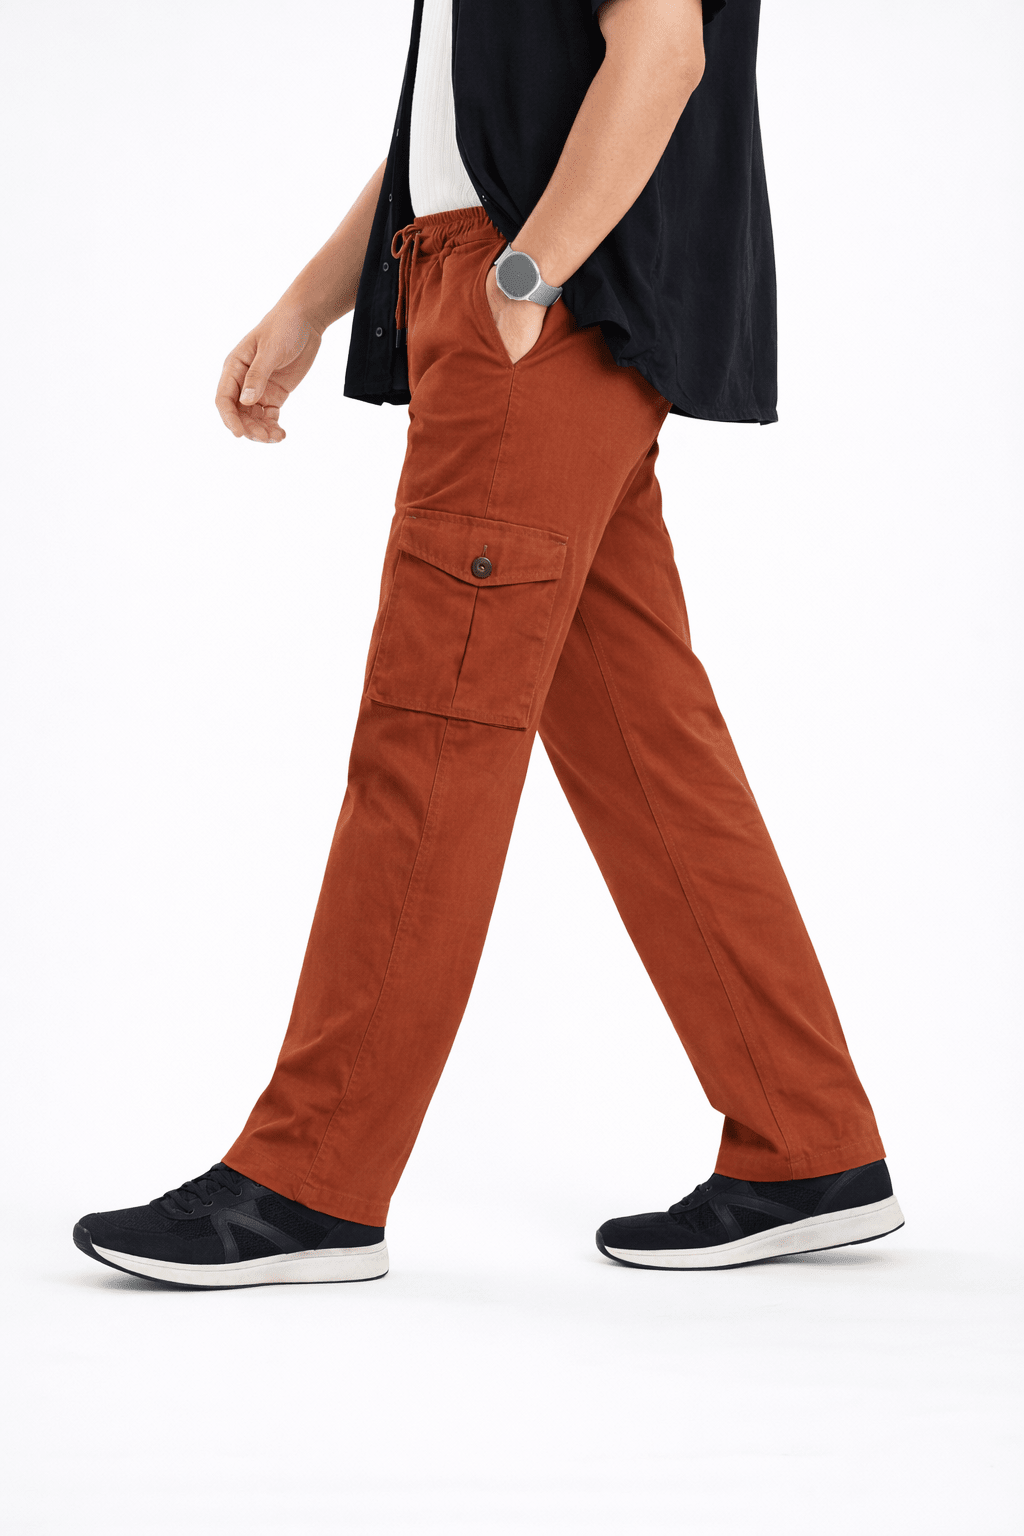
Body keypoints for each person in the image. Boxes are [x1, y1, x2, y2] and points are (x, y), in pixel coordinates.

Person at [73, 0, 903, 1287]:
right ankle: (806, 1142)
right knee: (649, 751)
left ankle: (310, 1181)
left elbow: (662, 50)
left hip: (535, 311)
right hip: (507, 294)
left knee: (429, 738)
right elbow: (460, 122)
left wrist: (526, 277)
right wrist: (310, 306)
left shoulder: (530, 282)